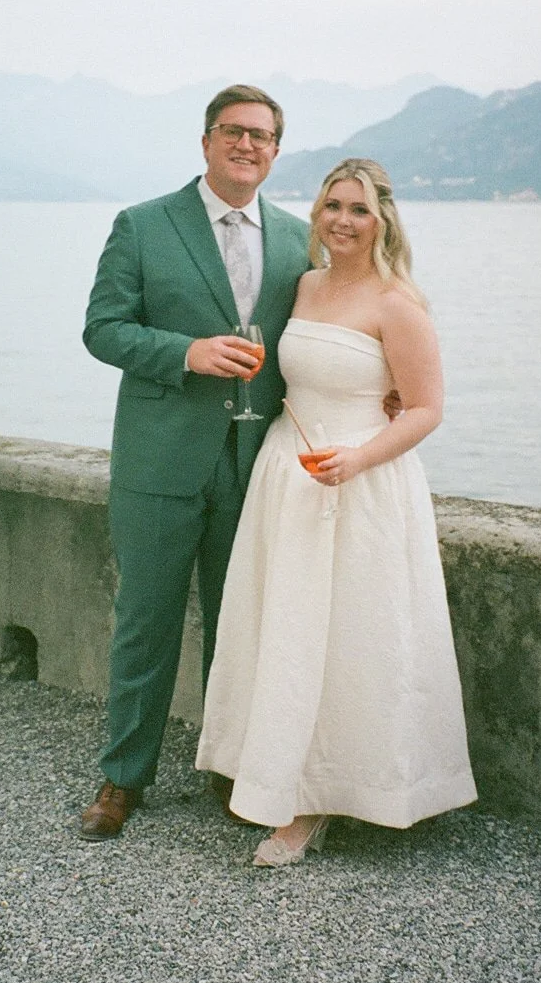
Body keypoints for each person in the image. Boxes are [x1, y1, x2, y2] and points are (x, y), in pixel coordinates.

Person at [196, 157, 477, 866]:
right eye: (331, 206)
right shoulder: (303, 285)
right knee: (288, 633)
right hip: (288, 473)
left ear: (381, 218)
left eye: (357, 209)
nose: (342, 221)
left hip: (363, 481)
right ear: (316, 213)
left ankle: (333, 798)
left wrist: (359, 456)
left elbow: (425, 409)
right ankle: (280, 776)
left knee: (354, 638)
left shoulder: (396, 302)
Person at [78, 84, 312, 839]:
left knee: (236, 624)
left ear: (276, 150)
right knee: (144, 622)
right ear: (206, 141)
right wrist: (185, 351)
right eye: (233, 131)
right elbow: (103, 330)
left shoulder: (297, 235)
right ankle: (121, 779)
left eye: (262, 135)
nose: (248, 145)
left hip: (254, 462)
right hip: (160, 461)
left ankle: (225, 769)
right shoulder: (143, 225)